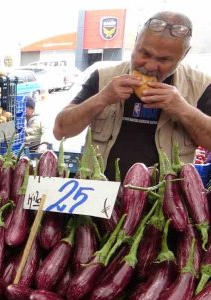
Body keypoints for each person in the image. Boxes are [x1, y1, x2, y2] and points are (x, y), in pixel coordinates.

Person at [53, 11, 211, 180]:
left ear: (184, 55)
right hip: (100, 195)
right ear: (136, 42)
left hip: (165, 200)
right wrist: (102, 98)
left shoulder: (200, 85)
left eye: (164, 60)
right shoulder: (103, 77)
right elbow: (60, 130)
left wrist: (183, 109)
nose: (150, 66)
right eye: (144, 53)